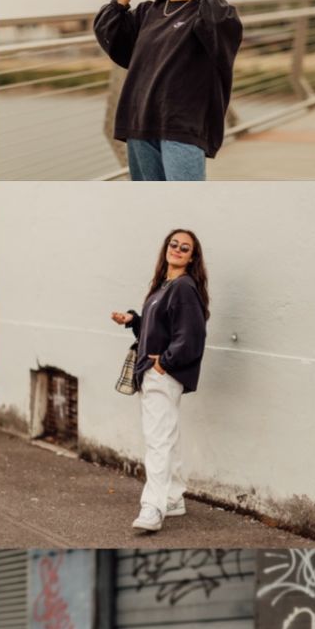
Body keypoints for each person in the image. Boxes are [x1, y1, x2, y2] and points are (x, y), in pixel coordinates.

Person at [94, 0, 242, 181]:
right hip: (140, 120)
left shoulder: (204, 11)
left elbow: (221, 24)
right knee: (152, 205)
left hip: (182, 124)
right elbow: (108, 30)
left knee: (184, 204)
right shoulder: (146, 12)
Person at [112, 228, 209, 532]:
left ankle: (152, 508)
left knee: (158, 442)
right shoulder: (164, 286)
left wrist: (164, 364)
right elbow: (161, 327)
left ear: (192, 257)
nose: (177, 250)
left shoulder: (183, 287)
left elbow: (192, 336)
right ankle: (173, 497)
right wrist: (134, 320)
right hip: (154, 374)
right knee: (168, 436)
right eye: (174, 244)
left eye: (185, 248)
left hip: (161, 375)